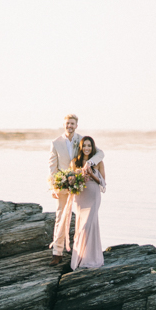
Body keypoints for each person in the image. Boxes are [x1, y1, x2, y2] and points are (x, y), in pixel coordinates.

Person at [48, 114, 104, 266]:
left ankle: (82, 251)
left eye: (72, 123)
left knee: (82, 219)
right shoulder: (55, 143)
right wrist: (55, 186)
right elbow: (52, 167)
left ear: (76, 125)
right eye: (67, 123)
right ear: (64, 124)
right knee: (61, 216)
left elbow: (100, 153)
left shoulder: (82, 139)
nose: (70, 126)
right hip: (64, 184)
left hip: (82, 186)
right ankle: (57, 253)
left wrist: (90, 163)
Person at [70, 136, 106, 270]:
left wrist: (91, 174)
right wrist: (76, 178)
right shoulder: (75, 162)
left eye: (89, 146)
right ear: (80, 147)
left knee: (89, 225)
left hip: (93, 195)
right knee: (81, 225)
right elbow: (71, 181)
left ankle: (90, 259)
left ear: (93, 148)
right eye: (84, 145)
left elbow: (103, 182)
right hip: (81, 196)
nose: (86, 148)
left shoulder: (98, 161)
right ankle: (79, 258)